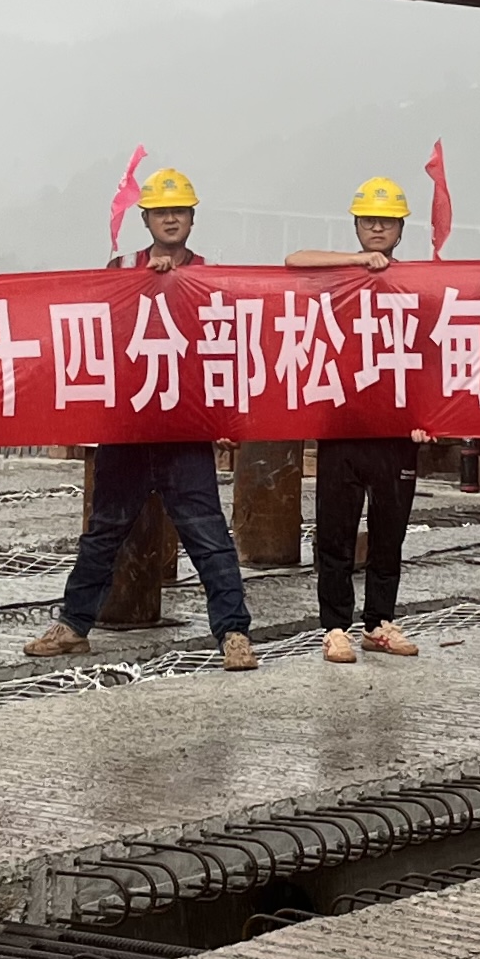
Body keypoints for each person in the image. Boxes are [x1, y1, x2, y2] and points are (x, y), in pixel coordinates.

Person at [25, 168, 258, 670]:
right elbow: (100, 336)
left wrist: (227, 422)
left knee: (208, 534)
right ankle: (73, 624)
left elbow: (225, 353)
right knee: (104, 531)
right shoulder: (120, 268)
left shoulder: (210, 277)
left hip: (183, 431)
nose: (170, 218)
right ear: (146, 218)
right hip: (128, 427)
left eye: (179, 211)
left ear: (192, 218)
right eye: (160, 211)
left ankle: (233, 632)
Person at [285, 178, 423, 665]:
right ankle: (335, 626)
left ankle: (380, 622)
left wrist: (427, 418)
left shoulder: (415, 285)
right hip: (341, 425)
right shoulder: (338, 276)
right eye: (369, 220)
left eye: (387, 221)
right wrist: (356, 262)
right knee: (335, 532)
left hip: (395, 432)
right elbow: (294, 260)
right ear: (357, 226)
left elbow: (432, 357)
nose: (378, 227)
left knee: (390, 533)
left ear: (402, 228)